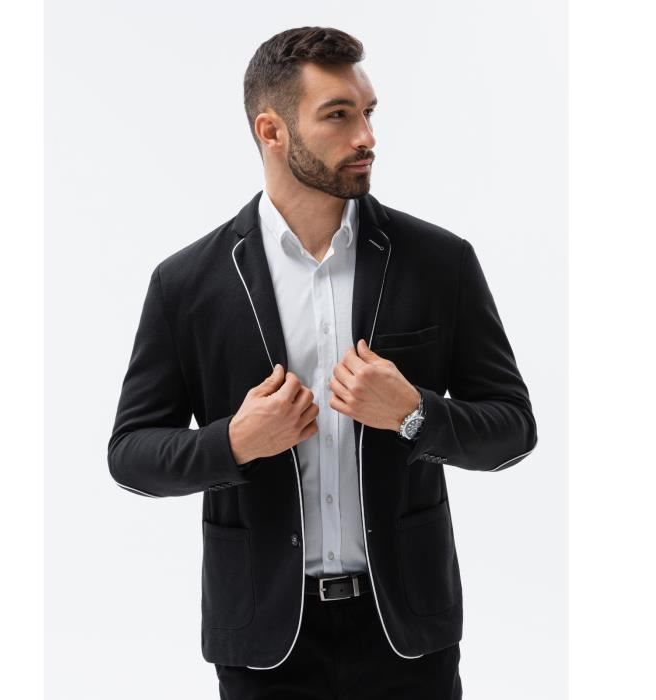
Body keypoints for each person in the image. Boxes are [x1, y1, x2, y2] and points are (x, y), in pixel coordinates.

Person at [107, 25, 538, 699]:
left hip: (408, 632)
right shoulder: (187, 283)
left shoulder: (439, 262)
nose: (366, 136)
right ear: (272, 131)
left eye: (368, 112)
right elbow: (131, 455)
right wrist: (235, 443)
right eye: (338, 115)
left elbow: (513, 429)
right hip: (263, 639)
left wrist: (415, 414)